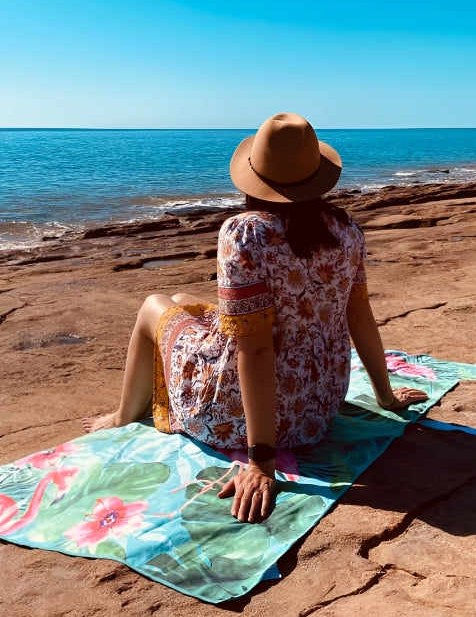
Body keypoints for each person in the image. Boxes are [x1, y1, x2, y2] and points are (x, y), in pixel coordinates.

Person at [83, 113, 428, 523]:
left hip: (237, 416)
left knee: (154, 303)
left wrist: (261, 461)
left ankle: (124, 415)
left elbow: (257, 346)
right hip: (316, 411)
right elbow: (360, 316)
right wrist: (385, 397)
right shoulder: (345, 229)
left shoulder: (247, 233)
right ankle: (144, 399)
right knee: (183, 301)